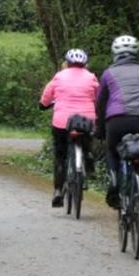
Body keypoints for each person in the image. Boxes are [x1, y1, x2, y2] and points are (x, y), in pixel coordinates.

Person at [96, 35, 139, 241]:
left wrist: (99, 130)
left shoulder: (108, 73)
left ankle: (114, 182)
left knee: (112, 150)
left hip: (116, 121)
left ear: (115, 54)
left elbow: (101, 103)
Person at [40, 49, 99, 207]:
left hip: (62, 122)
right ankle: (89, 160)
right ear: (85, 64)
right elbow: (98, 97)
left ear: (66, 63)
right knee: (86, 141)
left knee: (60, 156)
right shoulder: (91, 77)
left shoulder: (59, 76)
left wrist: (44, 105)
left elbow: (46, 98)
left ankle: (58, 191)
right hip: (86, 120)